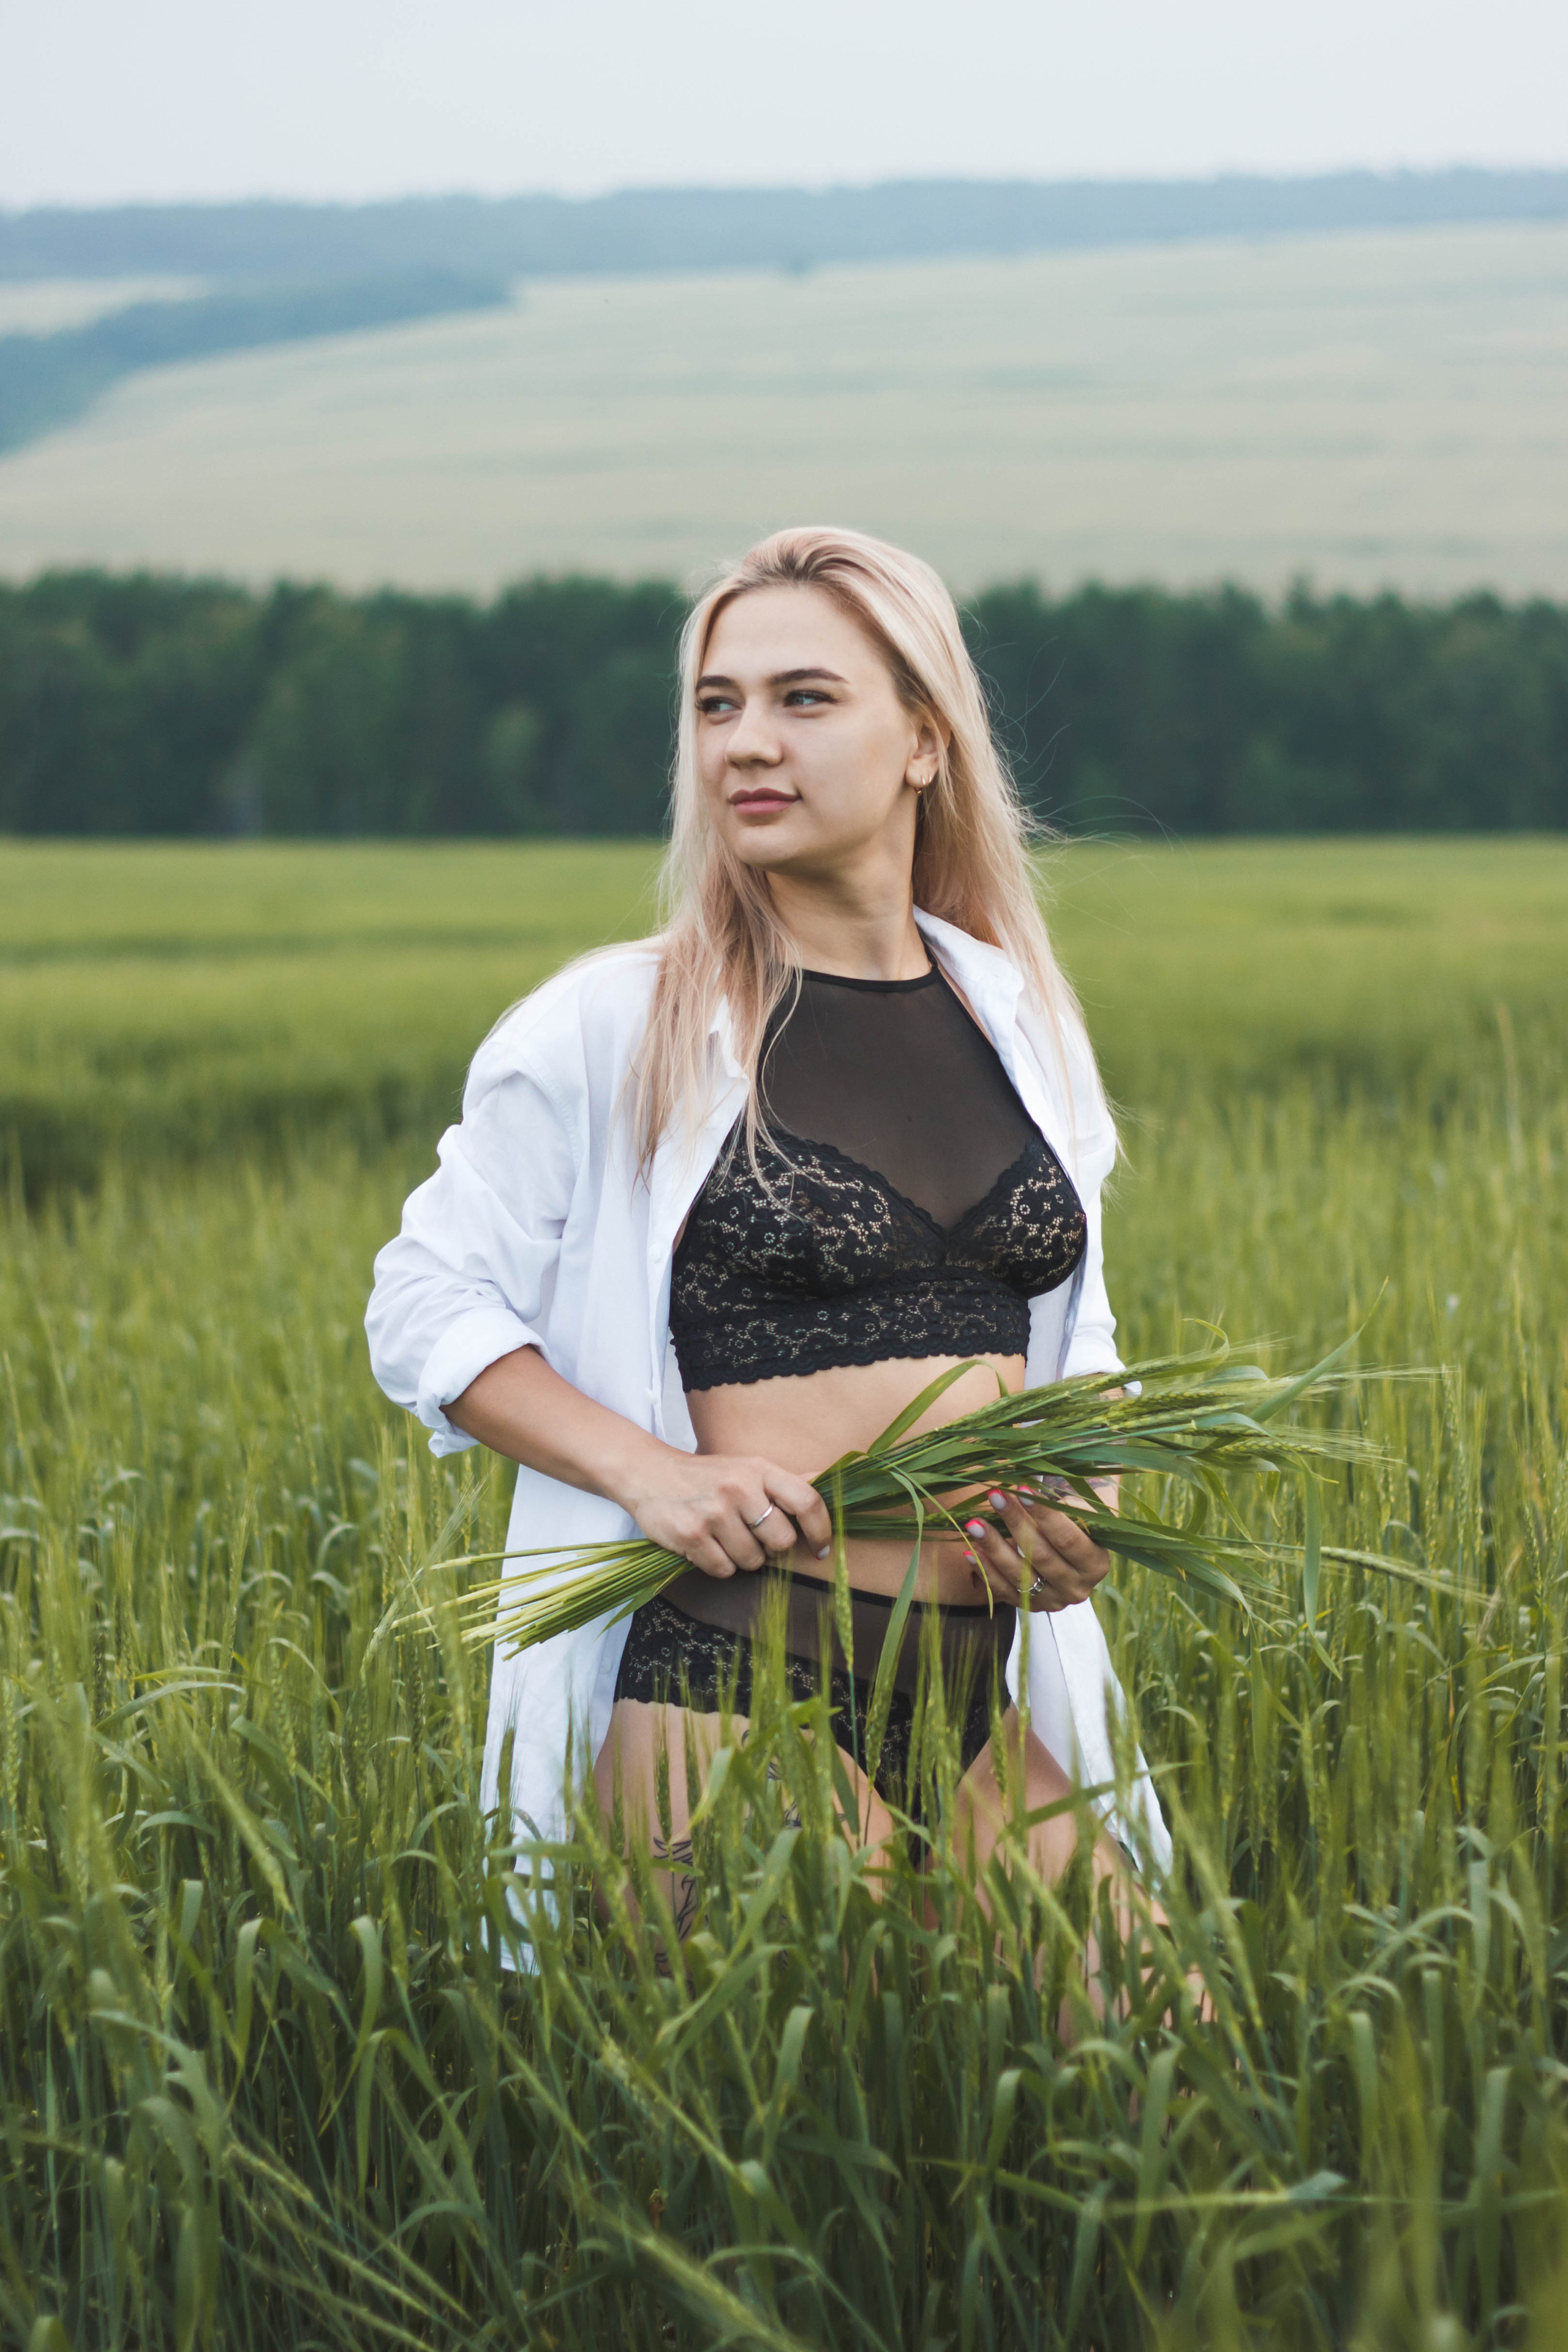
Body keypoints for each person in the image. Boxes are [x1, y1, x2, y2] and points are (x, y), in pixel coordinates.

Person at [366, 526, 1172, 1961]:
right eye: (716, 704)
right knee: (790, 2172)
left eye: (804, 699)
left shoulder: (1018, 1016)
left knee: (1170, 2093)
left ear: (924, 740)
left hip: (975, 1689)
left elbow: (1079, 1339)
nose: (746, 741)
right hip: (736, 1680)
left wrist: (1083, 1504)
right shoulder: (617, 1021)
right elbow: (425, 1301)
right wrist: (652, 1476)